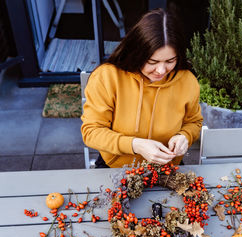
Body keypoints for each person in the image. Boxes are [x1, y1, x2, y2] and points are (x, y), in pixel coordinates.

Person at [81, 8, 203, 168]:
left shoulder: (187, 81)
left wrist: (185, 136)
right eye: (152, 62)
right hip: (116, 165)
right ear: (136, 52)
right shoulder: (108, 77)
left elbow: (194, 122)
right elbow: (91, 131)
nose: (161, 70)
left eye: (170, 61)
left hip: (167, 166)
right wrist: (135, 145)